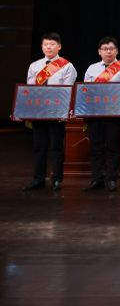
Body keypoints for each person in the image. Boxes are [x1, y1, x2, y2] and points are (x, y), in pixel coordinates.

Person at [23, 32, 77, 191]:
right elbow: (30, 90)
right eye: (46, 44)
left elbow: (67, 91)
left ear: (59, 47)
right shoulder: (34, 66)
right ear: (41, 47)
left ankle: (57, 179)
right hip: (39, 112)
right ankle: (38, 179)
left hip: (57, 112)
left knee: (56, 147)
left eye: (52, 44)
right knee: (39, 147)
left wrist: (63, 112)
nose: (49, 47)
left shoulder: (67, 66)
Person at [83, 36, 120, 192]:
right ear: (99, 52)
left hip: (114, 114)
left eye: (111, 49)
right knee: (96, 147)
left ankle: (111, 179)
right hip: (94, 114)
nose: (108, 52)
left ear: (116, 51)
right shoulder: (92, 69)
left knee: (112, 147)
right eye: (105, 49)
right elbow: (85, 91)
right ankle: (97, 179)